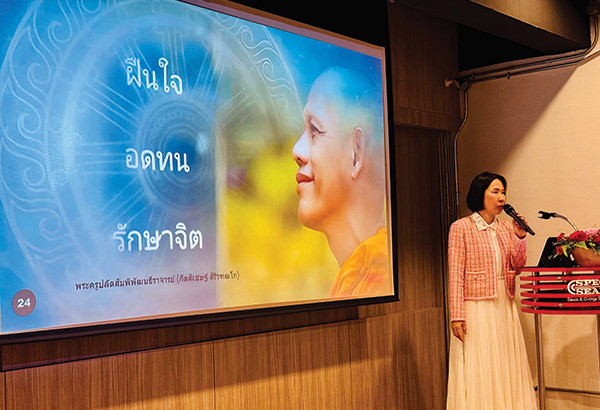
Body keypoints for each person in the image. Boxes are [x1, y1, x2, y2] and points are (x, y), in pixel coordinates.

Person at [292, 67, 390, 298]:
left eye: (315, 130)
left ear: (356, 153)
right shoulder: (358, 276)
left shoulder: (381, 269)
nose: (297, 150)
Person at [446, 171, 537, 410]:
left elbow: (518, 266)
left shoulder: (506, 228)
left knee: (506, 361)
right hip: (476, 306)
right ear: (481, 194)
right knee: (481, 361)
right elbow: (455, 274)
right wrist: (457, 315)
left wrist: (520, 237)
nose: (501, 198)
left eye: (503, 192)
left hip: (504, 303)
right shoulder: (461, 227)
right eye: (495, 192)